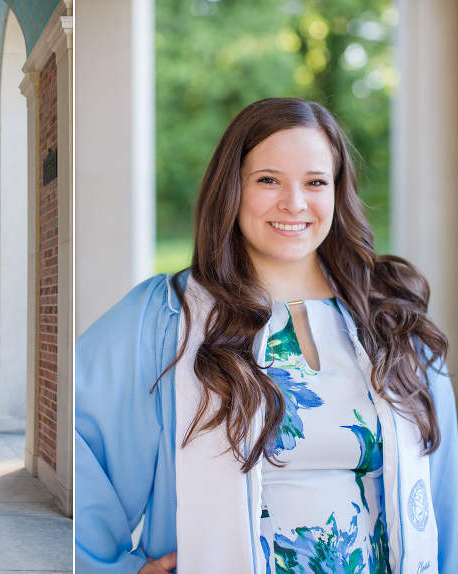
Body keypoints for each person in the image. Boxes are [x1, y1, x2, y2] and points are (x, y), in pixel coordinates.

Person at [75, 98, 458, 574]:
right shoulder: (169, 316)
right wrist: (113, 568)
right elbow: (74, 432)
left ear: (337, 192)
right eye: (268, 180)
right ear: (232, 189)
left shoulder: (391, 323)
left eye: (315, 182)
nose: (294, 203)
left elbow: (444, 494)